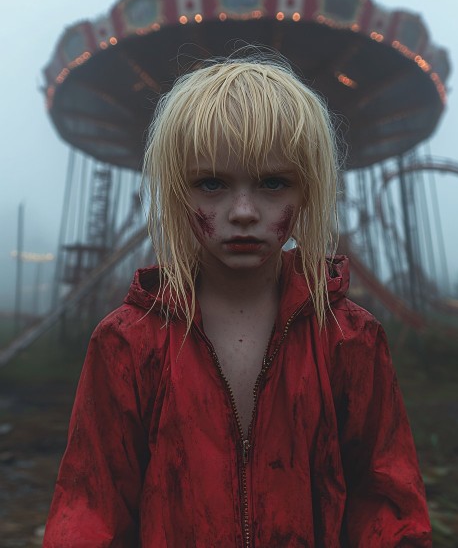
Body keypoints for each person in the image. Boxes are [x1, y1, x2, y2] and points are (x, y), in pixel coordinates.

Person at [43, 56, 431, 547]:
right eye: (212, 183)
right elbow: (89, 507)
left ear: (308, 188)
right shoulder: (126, 342)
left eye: (273, 183)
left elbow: (386, 502)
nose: (243, 212)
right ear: (177, 191)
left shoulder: (350, 338)